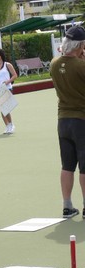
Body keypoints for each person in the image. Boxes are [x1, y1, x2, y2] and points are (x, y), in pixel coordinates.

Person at [50, 25, 85, 219]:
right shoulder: (81, 65)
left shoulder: (55, 64)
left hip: (63, 119)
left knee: (67, 165)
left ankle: (67, 205)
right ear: (80, 45)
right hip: (82, 119)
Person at [0, 48, 18, 134]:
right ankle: (8, 126)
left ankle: (11, 125)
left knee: (5, 108)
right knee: (3, 108)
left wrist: (8, 82)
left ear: (1, 55)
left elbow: (15, 75)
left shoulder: (7, 65)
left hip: (7, 88)